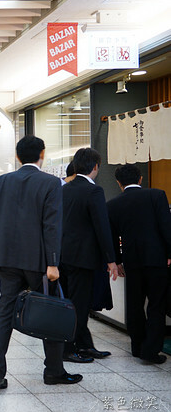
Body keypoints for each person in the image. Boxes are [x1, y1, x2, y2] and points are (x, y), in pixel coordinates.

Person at [0, 135, 82, 391]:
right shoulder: (51, 183)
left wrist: (1, 246)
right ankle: (54, 371)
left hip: (7, 260)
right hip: (39, 262)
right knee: (50, 312)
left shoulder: (2, 181)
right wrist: (53, 263)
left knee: (4, 314)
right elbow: (52, 225)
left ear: (18, 157)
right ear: (42, 154)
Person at [107, 164, 171, 364]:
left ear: (119, 183)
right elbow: (166, 226)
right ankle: (150, 350)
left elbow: (112, 237)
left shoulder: (113, 204)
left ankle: (137, 347)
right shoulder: (157, 195)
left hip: (132, 261)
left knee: (134, 305)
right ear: (140, 178)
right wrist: (170, 253)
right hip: (157, 259)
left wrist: (117, 262)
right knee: (156, 305)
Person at [60, 148, 118, 363]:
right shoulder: (94, 191)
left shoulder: (64, 189)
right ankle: (68, 349)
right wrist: (111, 259)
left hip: (64, 256)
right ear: (95, 167)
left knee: (71, 303)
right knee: (79, 305)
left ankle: (85, 345)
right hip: (83, 258)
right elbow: (102, 227)